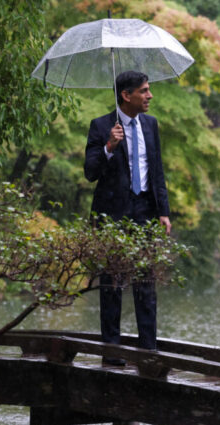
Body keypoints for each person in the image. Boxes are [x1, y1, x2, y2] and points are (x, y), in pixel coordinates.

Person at [83, 70, 172, 366]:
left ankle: (148, 353)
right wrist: (109, 146)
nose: (149, 96)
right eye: (144, 91)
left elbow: (157, 171)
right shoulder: (101, 127)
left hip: (145, 211)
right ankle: (111, 353)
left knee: (146, 283)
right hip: (112, 215)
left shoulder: (151, 124)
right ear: (126, 95)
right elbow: (90, 172)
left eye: (148, 90)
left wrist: (163, 212)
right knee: (112, 285)